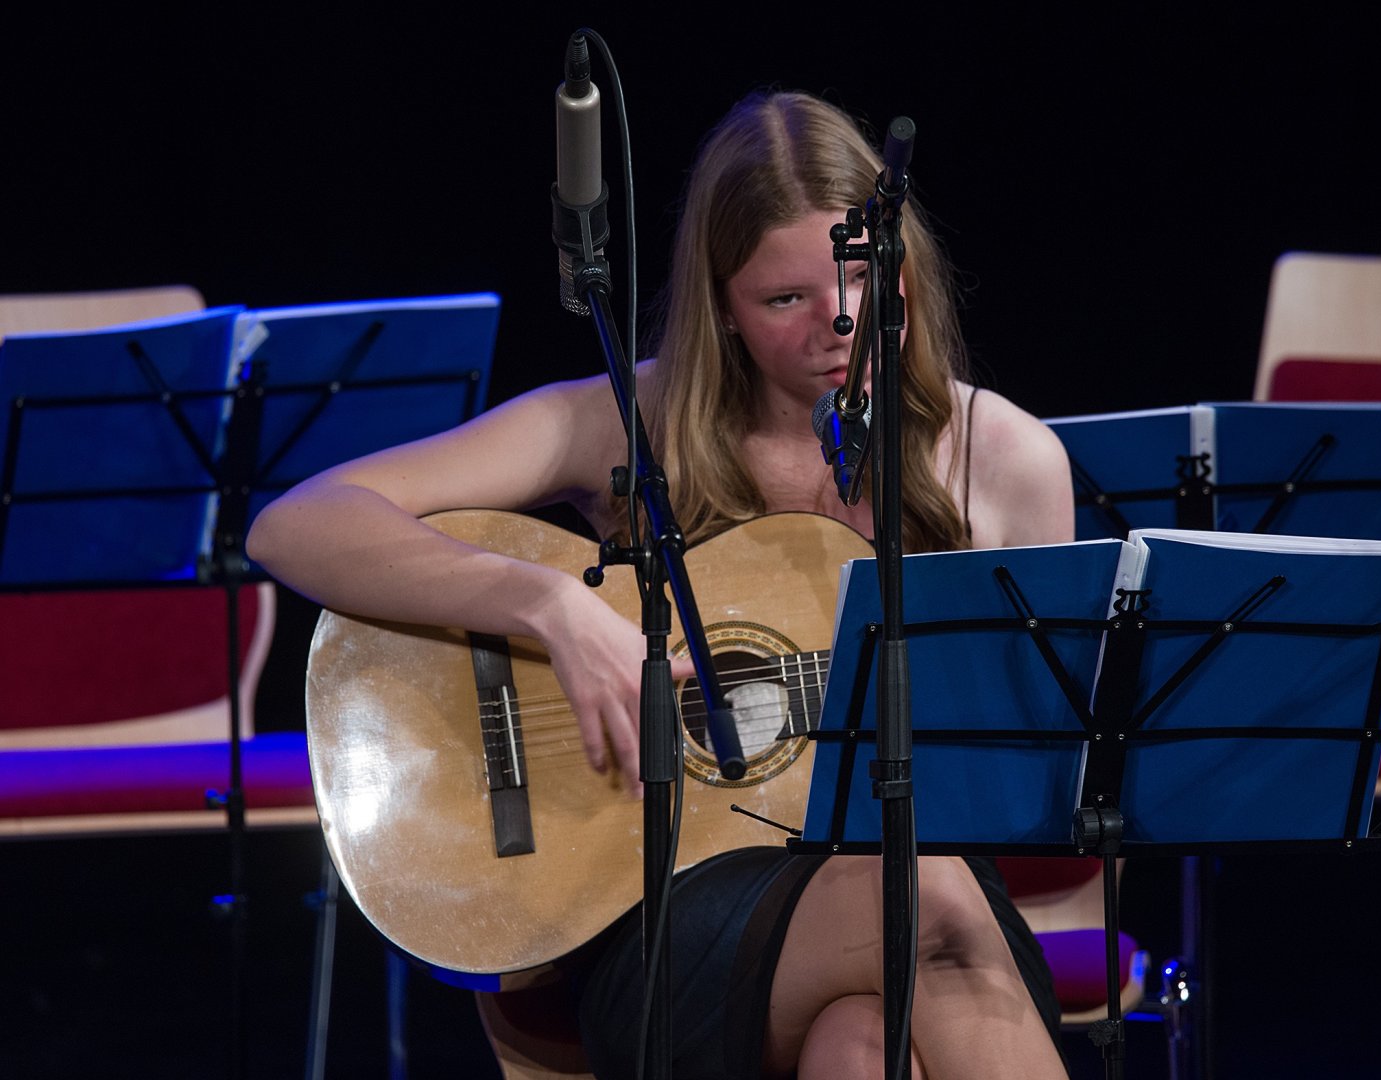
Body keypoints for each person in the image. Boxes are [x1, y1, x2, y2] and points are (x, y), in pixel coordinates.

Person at [247, 90, 1074, 1080]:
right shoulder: (629, 421)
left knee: (862, 1048)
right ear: (721, 307)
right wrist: (549, 606)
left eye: (864, 273)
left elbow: (1041, 768)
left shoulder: (1002, 461)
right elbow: (299, 524)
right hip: (670, 913)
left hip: (914, 897)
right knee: (925, 901)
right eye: (786, 299)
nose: (842, 320)